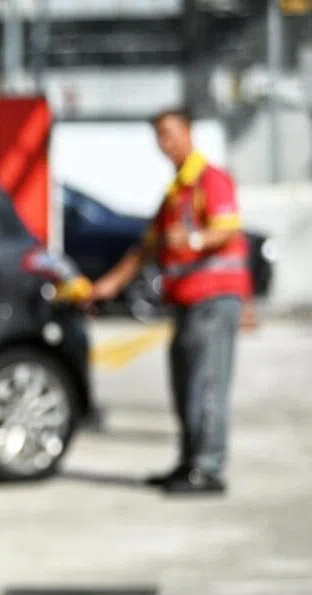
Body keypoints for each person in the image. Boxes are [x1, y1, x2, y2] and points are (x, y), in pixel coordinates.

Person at [90, 108, 253, 495]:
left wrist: (193, 240)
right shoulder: (177, 190)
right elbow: (146, 248)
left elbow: (227, 229)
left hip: (212, 301)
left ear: (189, 132)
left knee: (206, 384)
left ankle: (208, 469)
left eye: (171, 133)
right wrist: (107, 286)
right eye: (159, 136)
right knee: (185, 386)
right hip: (186, 302)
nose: (165, 142)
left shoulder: (210, 180)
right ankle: (189, 462)